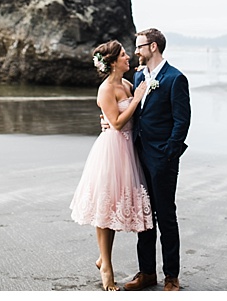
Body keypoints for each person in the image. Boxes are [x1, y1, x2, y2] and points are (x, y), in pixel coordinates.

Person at [70, 40, 153, 291]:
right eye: (124, 54)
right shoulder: (106, 89)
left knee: (115, 208)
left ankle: (102, 258)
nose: (128, 57)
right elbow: (116, 123)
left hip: (128, 150)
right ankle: (106, 267)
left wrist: (136, 95)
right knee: (105, 208)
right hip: (112, 150)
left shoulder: (127, 83)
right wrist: (136, 99)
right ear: (113, 62)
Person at [121, 28, 191, 292]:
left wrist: (168, 153)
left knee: (166, 216)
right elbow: (133, 112)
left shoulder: (175, 79)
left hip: (163, 159)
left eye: (139, 46)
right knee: (144, 215)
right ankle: (147, 272)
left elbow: (182, 121)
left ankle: (171, 276)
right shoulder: (139, 76)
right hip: (139, 155)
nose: (135, 51)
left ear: (153, 47)